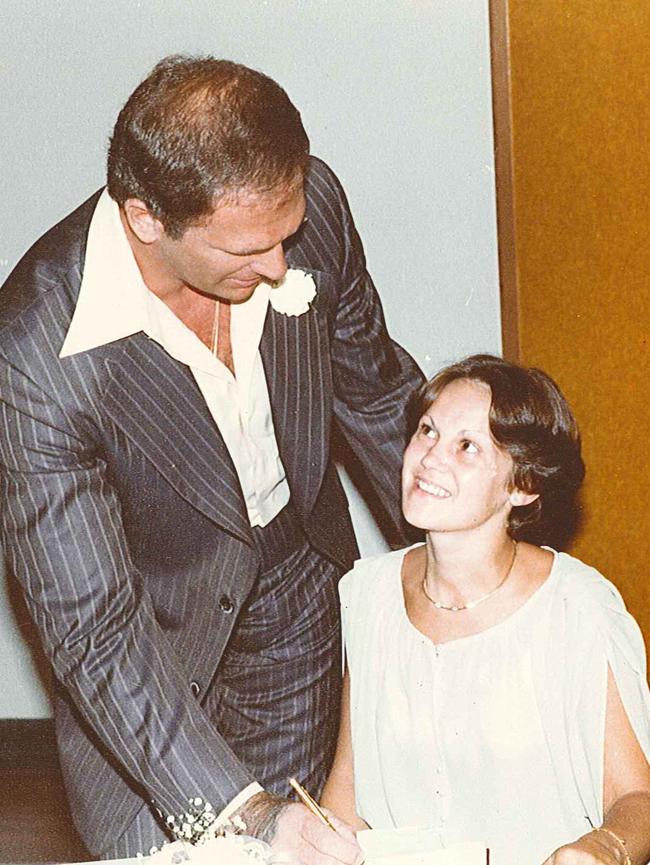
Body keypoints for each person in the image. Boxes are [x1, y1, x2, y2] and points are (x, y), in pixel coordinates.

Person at [0, 55, 423, 862]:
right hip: (136, 647)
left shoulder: (309, 209)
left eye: (286, 235)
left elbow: (376, 395)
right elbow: (94, 630)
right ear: (146, 219)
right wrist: (243, 809)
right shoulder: (34, 356)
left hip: (291, 595)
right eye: (246, 250)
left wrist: (472, 559)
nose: (277, 266)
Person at [321, 354, 650, 864]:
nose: (429, 458)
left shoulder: (576, 609)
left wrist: (601, 850)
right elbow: (347, 795)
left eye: (466, 447)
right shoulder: (368, 595)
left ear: (523, 486)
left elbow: (637, 799)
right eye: (427, 431)